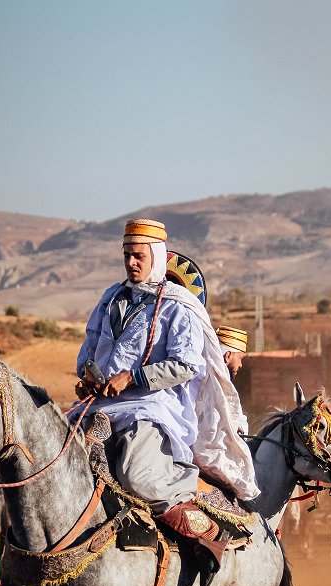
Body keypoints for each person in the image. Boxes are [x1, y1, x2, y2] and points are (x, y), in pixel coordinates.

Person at [75, 218, 259, 567]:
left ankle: (205, 534)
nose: (131, 262)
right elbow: (90, 345)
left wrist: (133, 378)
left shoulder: (178, 305)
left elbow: (188, 364)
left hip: (152, 406)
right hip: (99, 403)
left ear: (156, 257)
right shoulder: (111, 298)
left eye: (138, 256)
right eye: (127, 254)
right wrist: (86, 373)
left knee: (135, 474)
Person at [215, 325, 249, 433]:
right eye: (240, 359)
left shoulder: (226, 384)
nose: (240, 365)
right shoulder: (208, 380)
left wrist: (238, 427)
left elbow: (239, 417)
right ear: (228, 356)